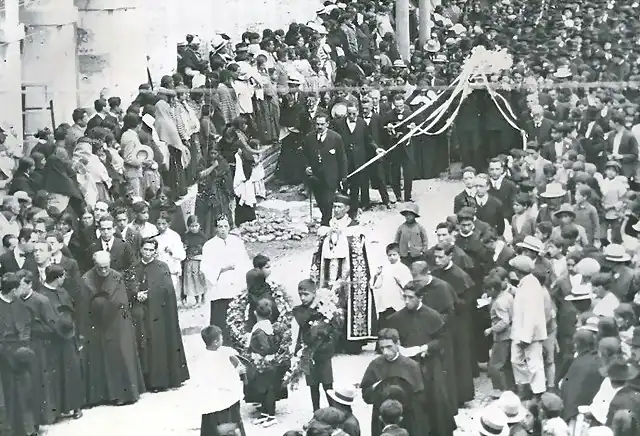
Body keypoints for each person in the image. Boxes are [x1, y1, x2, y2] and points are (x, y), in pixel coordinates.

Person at [310, 195, 376, 353]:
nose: (336, 210)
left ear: (347, 209)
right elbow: (318, 251)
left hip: (348, 275)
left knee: (347, 304)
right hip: (329, 273)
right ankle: (332, 341)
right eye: (334, 206)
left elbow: (358, 252)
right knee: (328, 302)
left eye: (339, 207)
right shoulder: (328, 225)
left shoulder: (354, 227)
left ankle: (350, 342)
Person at [387, 285, 455, 436]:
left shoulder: (433, 316)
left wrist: (425, 348)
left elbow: (442, 340)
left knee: (435, 401)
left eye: (410, 297)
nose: (406, 301)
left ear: (421, 298)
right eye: (404, 297)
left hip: (429, 365)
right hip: (405, 367)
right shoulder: (397, 318)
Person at [81, 250, 145, 406]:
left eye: (106, 267)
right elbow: (84, 305)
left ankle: (124, 394)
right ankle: (101, 395)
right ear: (94, 265)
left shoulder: (116, 276)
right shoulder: (86, 279)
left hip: (117, 322)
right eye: (100, 268)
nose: (103, 271)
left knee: (120, 353)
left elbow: (121, 300)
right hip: (97, 324)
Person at [127, 238, 189, 392]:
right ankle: (144, 381)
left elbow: (167, 289)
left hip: (157, 314)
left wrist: (150, 295)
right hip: (140, 313)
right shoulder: (133, 268)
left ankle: (158, 381)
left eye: (151, 250)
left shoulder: (162, 267)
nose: (147, 252)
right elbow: (128, 286)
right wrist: (136, 294)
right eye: (145, 249)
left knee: (157, 344)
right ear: (140, 249)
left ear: (155, 251)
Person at [360, 328, 428, 436]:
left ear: (398, 344)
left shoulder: (411, 366)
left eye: (389, 347)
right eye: (382, 348)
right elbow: (366, 395)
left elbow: (420, 396)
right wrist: (375, 388)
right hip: (382, 420)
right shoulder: (375, 365)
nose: (385, 352)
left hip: (406, 419)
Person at [38, 264, 84, 420]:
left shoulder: (63, 291)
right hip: (52, 341)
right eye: (63, 276)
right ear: (57, 278)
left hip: (68, 338)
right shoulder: (42, 295)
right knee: (55, 375)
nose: (64, 279)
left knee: (72, 372)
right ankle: (56, 410)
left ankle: (75, 406)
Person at [201, 215, 252, 344]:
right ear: (215, 228)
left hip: (236, 282)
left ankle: (237, 341)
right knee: (221, 315)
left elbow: (244, 261)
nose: (223, 229)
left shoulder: (237, 242)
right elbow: (206, 267)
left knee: (236, 313)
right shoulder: (209, 245)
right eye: (220, 226)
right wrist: (222, 269)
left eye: (225, 226)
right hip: (220, 284)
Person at [194, 325, 247, 436]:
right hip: (221, 402)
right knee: (226, 429)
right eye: (221, 337)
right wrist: (237, 372)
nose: (223, 339)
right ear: (215, 342)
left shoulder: (205, 355)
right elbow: (222, 380)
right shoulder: (213, 361)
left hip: (210, 401)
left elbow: (226, 351)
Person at [292, 279, 335, 412]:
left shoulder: (325, 308)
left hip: (324, 352)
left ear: (314, 293)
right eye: (300, 294)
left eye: (306, 294)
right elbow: (303, 321)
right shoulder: (298, 310)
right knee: (313, 385)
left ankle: (333, 412)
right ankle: (316, 412)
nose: (303, 298)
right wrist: (312, 307)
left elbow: (333, 327)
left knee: (328, 384)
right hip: (309, 352)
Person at [302, 112, 347, 226]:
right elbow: (305, 155)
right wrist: (307, 166)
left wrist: (343, 177)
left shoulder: (336, 138)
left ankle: (325, 223)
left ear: (327, 124)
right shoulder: (309, 137)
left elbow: (342, 158)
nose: (319, 127)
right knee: (320, 201)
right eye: (317, 124)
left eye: (322, 124)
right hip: (315, 176)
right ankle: (325, 218)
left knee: (328, 201)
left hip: (330, 176)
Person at [247, 298, 279, 427]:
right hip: (268, 363)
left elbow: (265, 347)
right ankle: (265, 413)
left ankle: (271, 416)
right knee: (264, 389)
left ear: (255, 313)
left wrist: (259, 354)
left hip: (264, 363)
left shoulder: (260, 330)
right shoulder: (268, 325)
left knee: (267, 390)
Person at [370, 243, 412, 333]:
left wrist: (400, 281)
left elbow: (409, 286)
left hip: (398, 303)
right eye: (390, 255)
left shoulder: (403, 268)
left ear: (399, 254)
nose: (392, 257)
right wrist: (377, 275)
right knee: (384, 328)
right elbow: (377, 285)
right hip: (385, 303)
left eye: (394, 255)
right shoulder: (385, 268)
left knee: (397, 328)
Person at [183, 215, 208, 306]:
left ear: (199, 225)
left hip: (199, 261)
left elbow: (207, 249)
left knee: (200, 279)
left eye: (195, 226)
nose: (193, 228)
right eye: (191, 226)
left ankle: (203, 297)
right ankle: (196, 299)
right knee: (192, 280)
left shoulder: (203, 237)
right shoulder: (186, 236)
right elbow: (184, 246)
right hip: (190, 261)